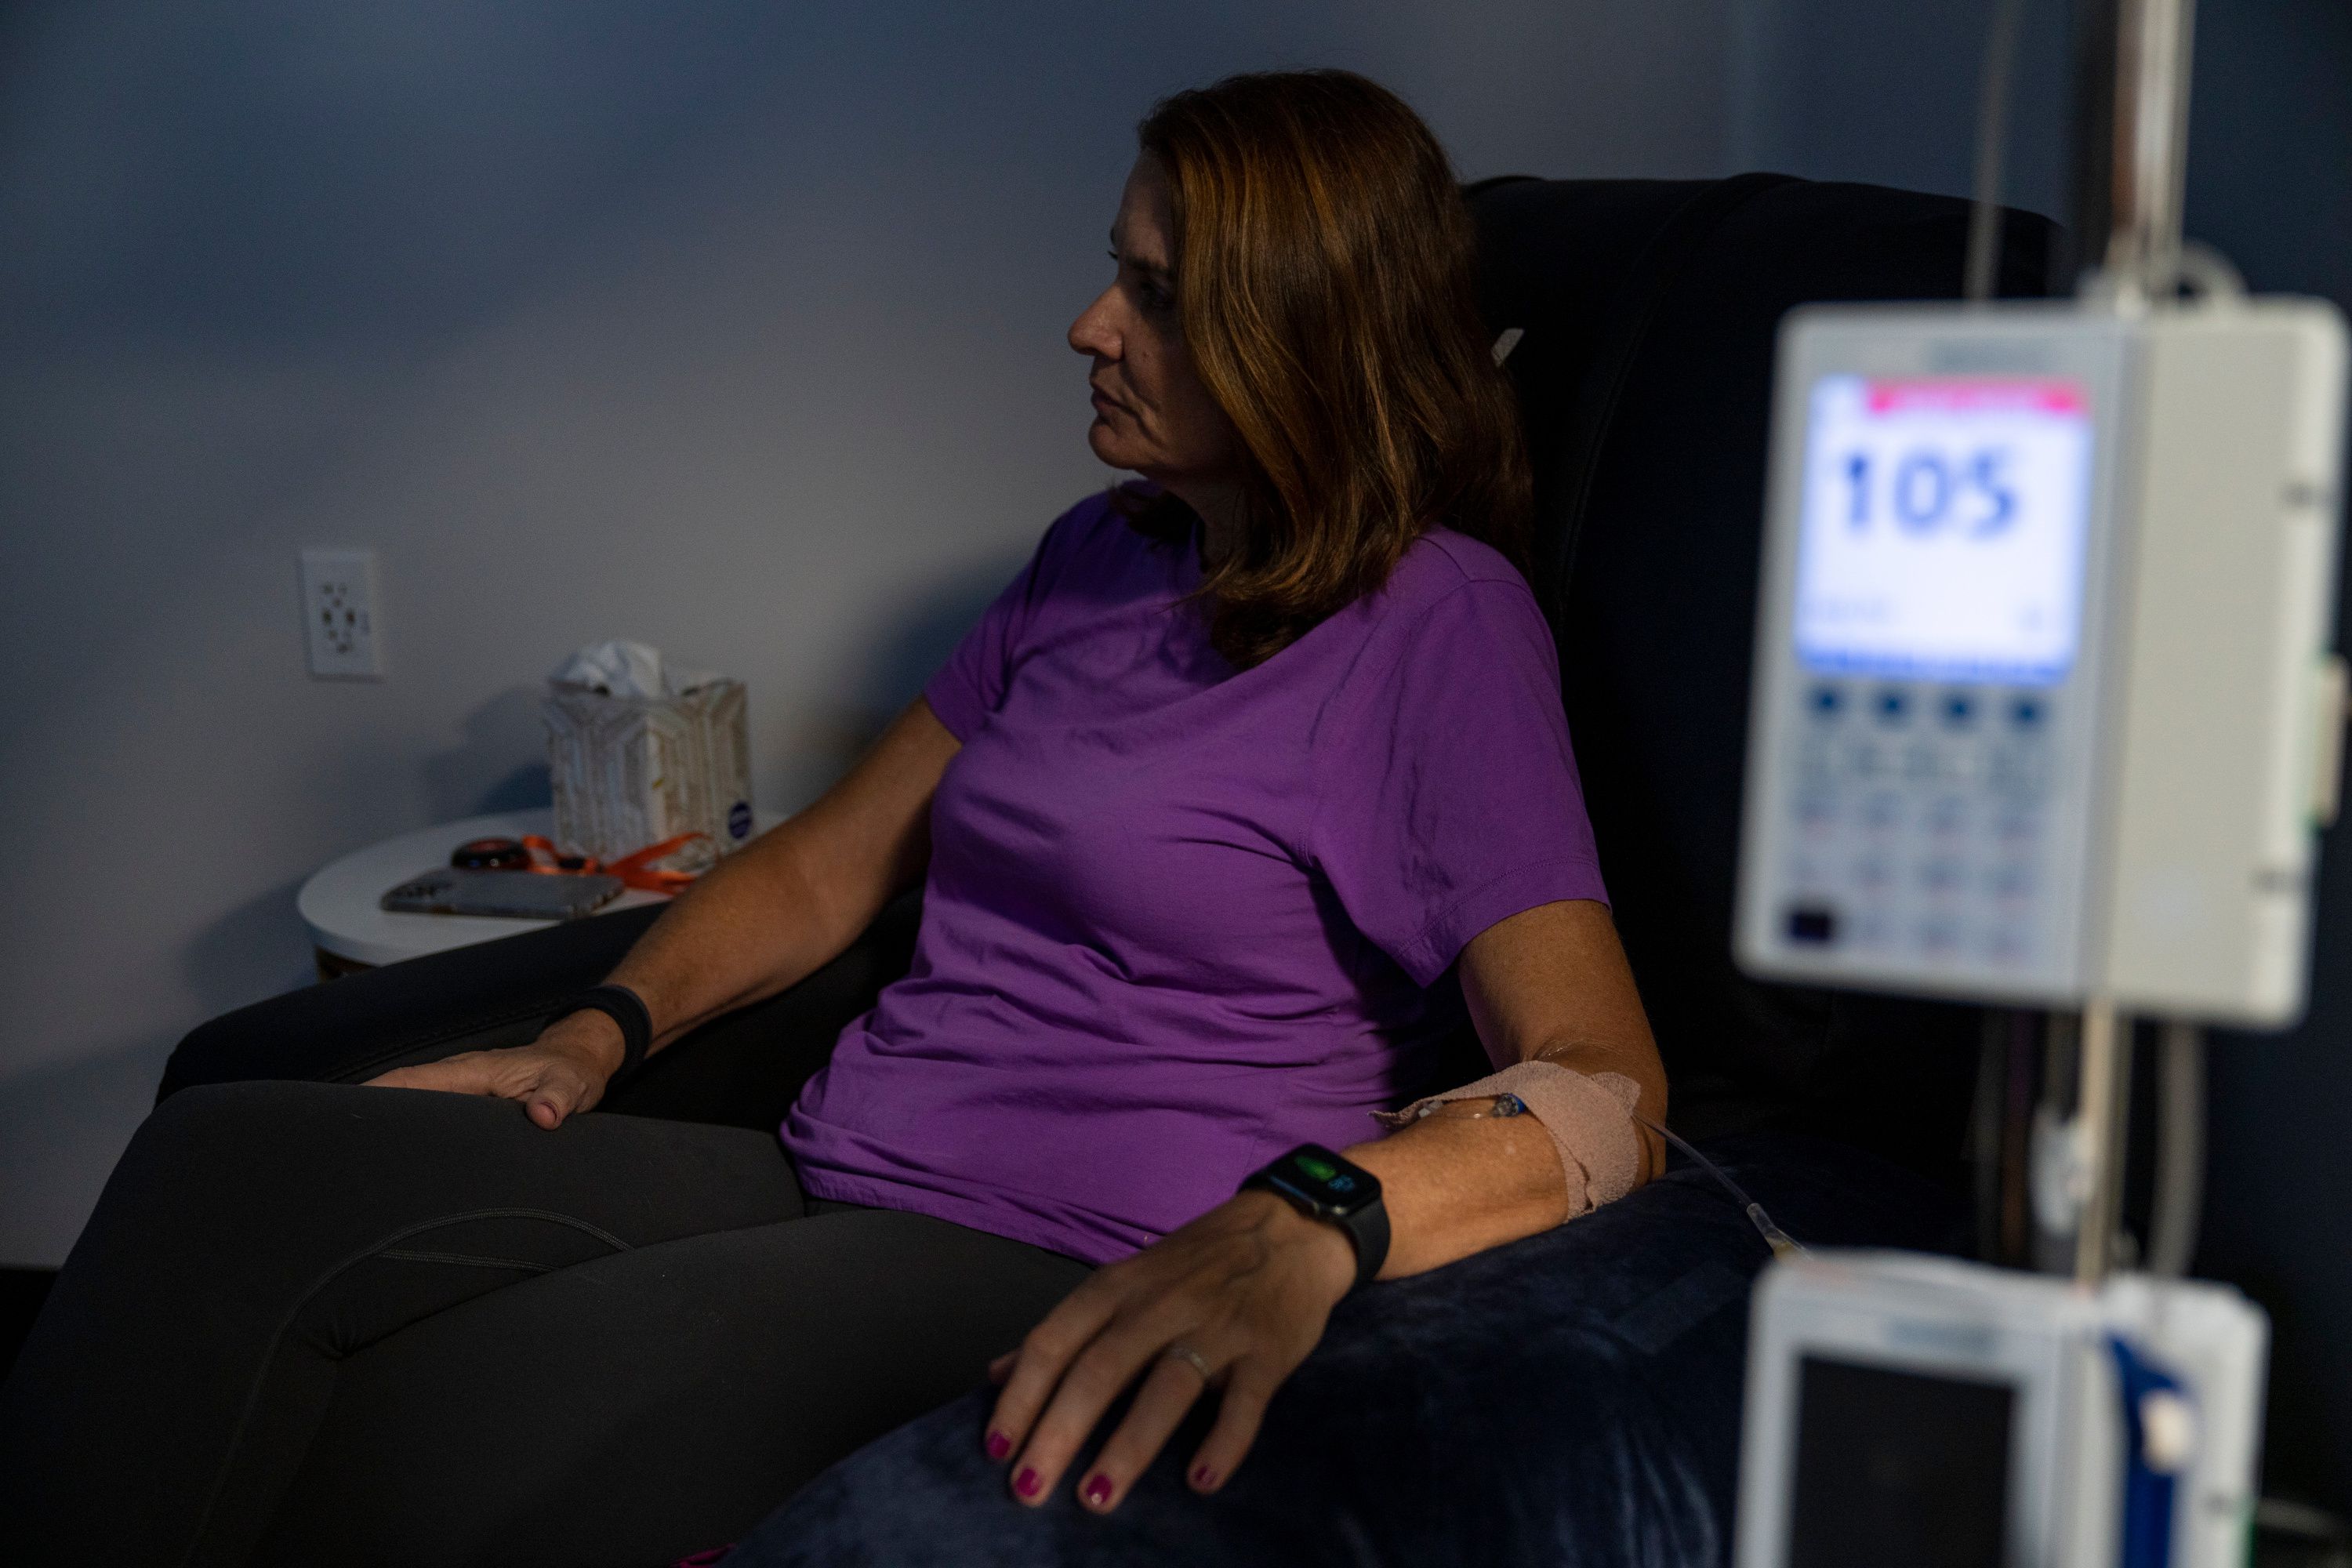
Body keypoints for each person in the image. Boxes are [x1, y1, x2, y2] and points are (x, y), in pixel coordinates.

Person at [0, 69, 1667, 1566]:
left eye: (1154, 296)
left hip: (1065, 1247)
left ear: (1300, 336)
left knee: (429, 1426)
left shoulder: (1438, 624)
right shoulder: (1103, 555)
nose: (1090, 324)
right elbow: (823, 863)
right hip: (840, 1160)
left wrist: (1316, 1214)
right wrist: (594, 1031)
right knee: (227, 1155)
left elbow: (1604, 1082)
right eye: (1115, 269)